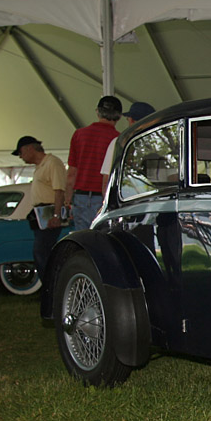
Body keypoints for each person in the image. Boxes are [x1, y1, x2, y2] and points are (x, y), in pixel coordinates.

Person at [13, 136, 65, 282]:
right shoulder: (41, 166)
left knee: (42, 252)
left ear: (29, 148)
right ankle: (49, 285)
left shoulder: (52, 163)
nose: (21, 157)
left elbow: (59, 191)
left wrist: (56, 215)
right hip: (41, 214)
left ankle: (51, 286)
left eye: (21, 153)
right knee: (42, 252)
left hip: (49, 213)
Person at [66, 95, 121, 230]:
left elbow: (71, 173)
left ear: (97, 112)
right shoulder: (118, 139)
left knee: (83, 241)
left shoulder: (79, 135)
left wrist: (67, 201)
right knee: (104, 240)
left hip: (80, 197)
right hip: (104, 198)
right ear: (119, 116)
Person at [100, 101, 156, 195]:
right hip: (153, 197)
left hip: (126, 198)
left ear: (131, 120)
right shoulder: (157, 143)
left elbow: (107, 179)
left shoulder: (118, 143)